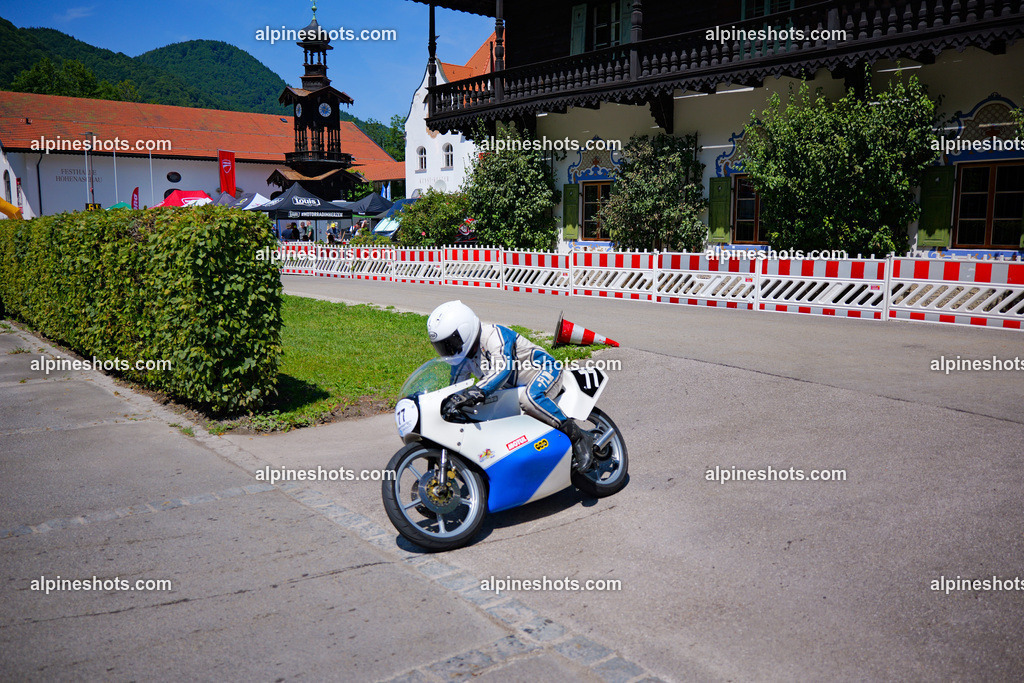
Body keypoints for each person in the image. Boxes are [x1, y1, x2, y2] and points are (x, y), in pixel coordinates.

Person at [426, 300, 594, 472]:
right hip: (513, 389)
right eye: (442, 347)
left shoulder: (493, 335)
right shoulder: (462, 359)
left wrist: (476, 392)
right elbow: (455, 389)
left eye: (449, 344)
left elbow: (503, 368)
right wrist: (445, 405)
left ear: (464, 330)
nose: (448, 351)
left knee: (530, 399)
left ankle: (579, 438)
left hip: (545, 370)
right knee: (480, 414)